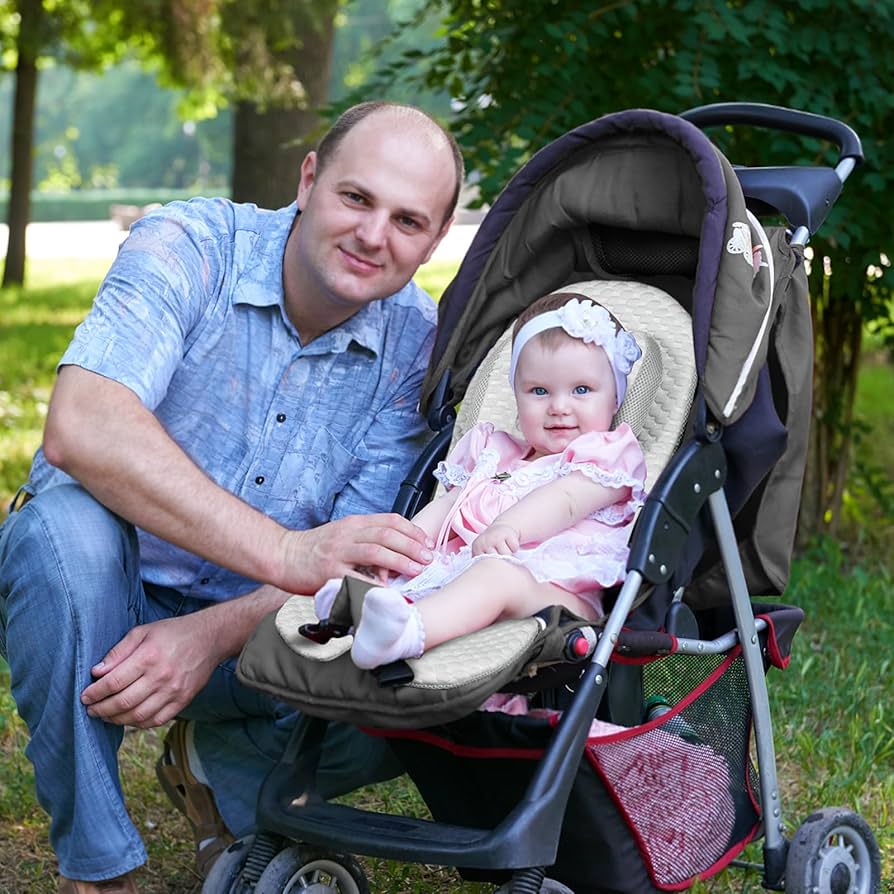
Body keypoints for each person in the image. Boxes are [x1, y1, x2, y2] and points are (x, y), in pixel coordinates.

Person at [0, 100, 463, 894]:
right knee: (59, 535)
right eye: (356, 198)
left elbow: (358, 558)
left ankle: (223, 776)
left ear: (434, 239)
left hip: (261, 633)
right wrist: (285, 551)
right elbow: (81, 427)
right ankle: (101, 868)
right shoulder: (192, 243)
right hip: (98, 595)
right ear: (309, 178)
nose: (373, 235)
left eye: (408, 220)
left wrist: (208, 636)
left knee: (427, 680)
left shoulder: (419, 353)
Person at [312, 292, 647, 670]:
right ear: (517, 395)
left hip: (556, 596)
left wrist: (509, 527)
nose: (559, 407)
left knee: (497, 575)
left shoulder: (606, 457)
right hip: (469, 568)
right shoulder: (494, 452)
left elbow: (565, 499)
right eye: (539, 391)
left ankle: (407, 634)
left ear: (615, 397)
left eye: (581, 390)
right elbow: (449, 504)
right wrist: (402, 547)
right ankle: (355, 605)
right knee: (415, 568)